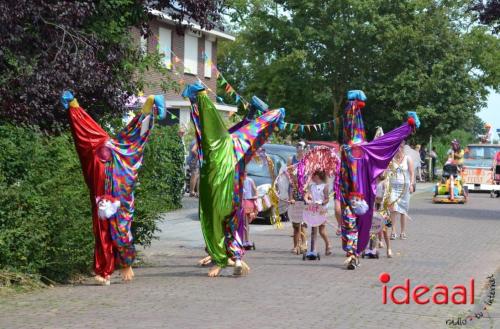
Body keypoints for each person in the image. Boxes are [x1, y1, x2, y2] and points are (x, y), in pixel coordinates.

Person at [60, 91, 163, 285]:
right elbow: (135, 134)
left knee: (117, 226)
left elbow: (85, 130)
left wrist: (74, 108)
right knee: (106, 228)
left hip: (117, 191)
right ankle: (106, 271)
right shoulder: (107, 146)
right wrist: (74, 108)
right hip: (105, 193)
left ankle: (120, 265)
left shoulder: (112, 147)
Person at [183, 83, 285, 277]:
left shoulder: (217, 151)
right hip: (234, 197)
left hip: (221, 197)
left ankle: (223, 259)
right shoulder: (236, 147)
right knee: (231, 226)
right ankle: (236, 258)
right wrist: (272, 118)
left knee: (218, 227)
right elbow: (252, 135)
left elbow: (206, 128)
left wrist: (197, 101)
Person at [389, 142, 414, 240]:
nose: (399, 149)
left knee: (404, 209)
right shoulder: (391, 159)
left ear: (403, 148)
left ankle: (403, 232)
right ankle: (393, 231)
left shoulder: (408, 159)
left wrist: (411, 184)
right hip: (393, 187)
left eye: (401, 147)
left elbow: (412, 174)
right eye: (397, 147)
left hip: (405, 187)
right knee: (393, 209)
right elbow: (386, 172)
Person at [304, 170, 331, 255]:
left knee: (321, 231)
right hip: (313, 210)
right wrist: (307, 200)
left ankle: (328, 244)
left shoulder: (325, 186)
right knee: (313, 230)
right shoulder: (311, 186)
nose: (312, 177)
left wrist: (322, 203)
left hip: (322, 210)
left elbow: (327, 199)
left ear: (317, 176)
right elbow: (306, 196)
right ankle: (313, 249)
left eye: (313, 175)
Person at [242, 172, 258, 248]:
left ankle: (246, 240)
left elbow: (255, 189)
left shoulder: (249, 180)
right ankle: (244, 240)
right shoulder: (239, 180)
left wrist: (256, 196)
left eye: (245, 172)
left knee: (246, 222)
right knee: (243, 222)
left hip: (248, 201)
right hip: (241, 202)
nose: (244, 174)